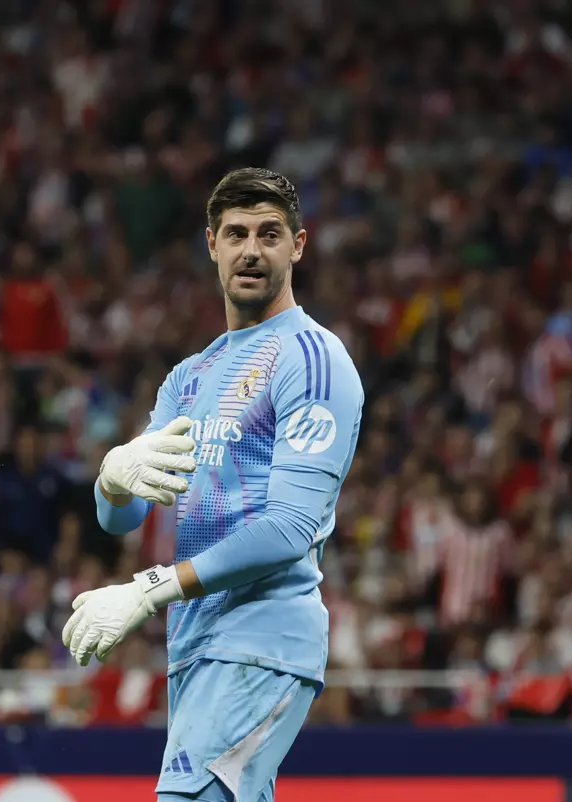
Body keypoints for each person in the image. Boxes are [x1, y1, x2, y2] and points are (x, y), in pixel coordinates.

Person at [60, 168, 364, 802]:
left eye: (269, 234)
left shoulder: (312, 356)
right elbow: (122, 520)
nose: (251, 250)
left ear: (298, 246)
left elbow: (289, 528)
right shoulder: (190, 377)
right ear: (211, 244)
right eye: (236, 234)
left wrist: (151, 589)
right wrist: (114, 478)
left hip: (262, 638)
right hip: (197, 643)